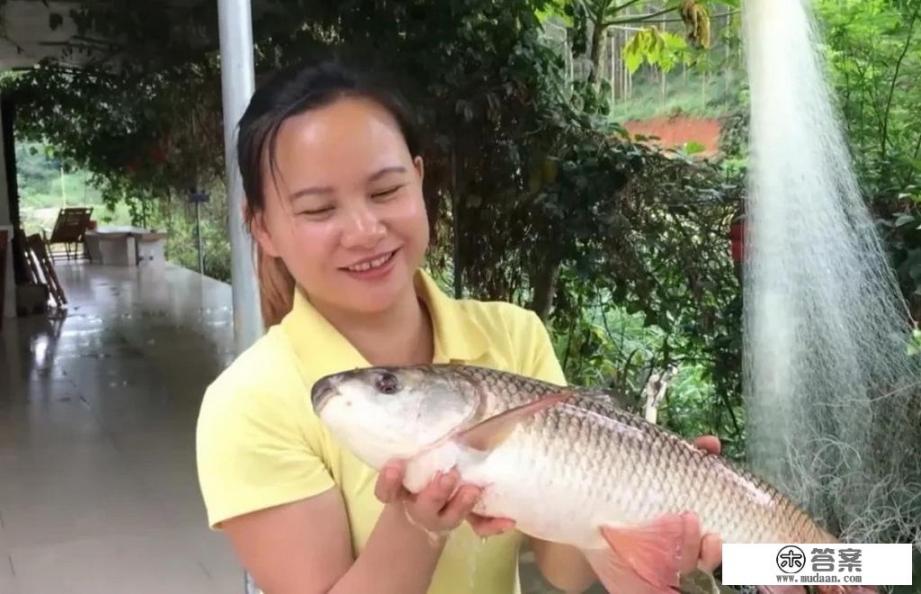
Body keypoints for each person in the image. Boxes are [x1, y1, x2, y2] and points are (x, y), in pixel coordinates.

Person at [195, 54, 724, 594]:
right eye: (318, 210)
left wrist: (666, 540)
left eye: (384, 192)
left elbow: (568, 572)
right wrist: (417, 523)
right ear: (261, 228)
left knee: (790, 565)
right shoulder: (249, 405)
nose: (363, 230)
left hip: (775, 549)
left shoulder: (512, 336)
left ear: (419, 180)